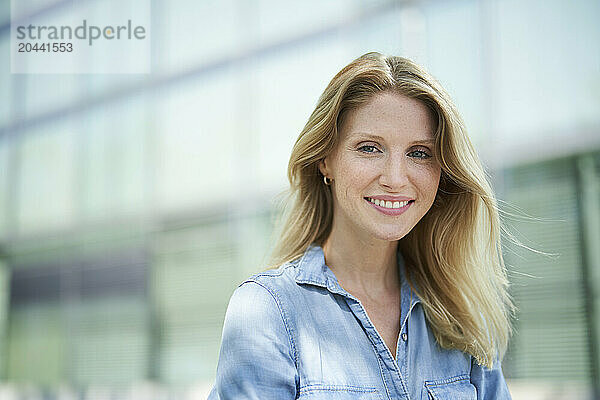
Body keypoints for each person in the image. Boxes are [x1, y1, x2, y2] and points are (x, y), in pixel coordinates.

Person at [207, 52, 514, 399]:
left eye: (419, 153)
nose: (396, 179)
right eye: (369, 148)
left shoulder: (462, 317)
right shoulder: (268, 311)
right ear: (326, 159)